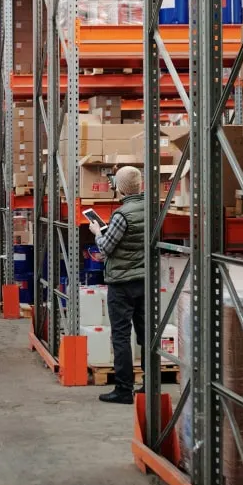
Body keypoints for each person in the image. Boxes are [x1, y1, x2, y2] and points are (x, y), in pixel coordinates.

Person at [89, 166, 145, 405]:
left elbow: (106, 247)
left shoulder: (122, 215)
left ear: (119, 188)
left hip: (122, 284)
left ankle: (124, 389)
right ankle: (149, 385)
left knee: (121, 336)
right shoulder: (150, 209)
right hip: (145, 280)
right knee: (146, 334)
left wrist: (97, 232)